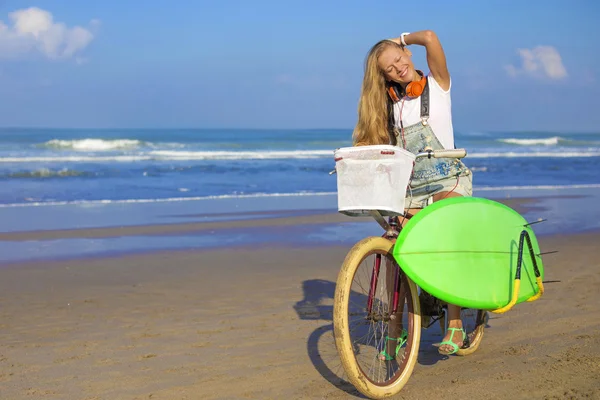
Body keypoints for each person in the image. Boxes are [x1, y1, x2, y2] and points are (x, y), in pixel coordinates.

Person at [352, 30, 473, 356]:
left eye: (398, 59)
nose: (397, 69)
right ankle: (396, 330)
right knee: (398, 252)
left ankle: (456, 323)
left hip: (448, 178)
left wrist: (403, 38)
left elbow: (432, 38)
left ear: (408, 55)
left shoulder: (438, 85)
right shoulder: (391, 106)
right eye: (389, 69)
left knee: (446, 238)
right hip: (412, 188)